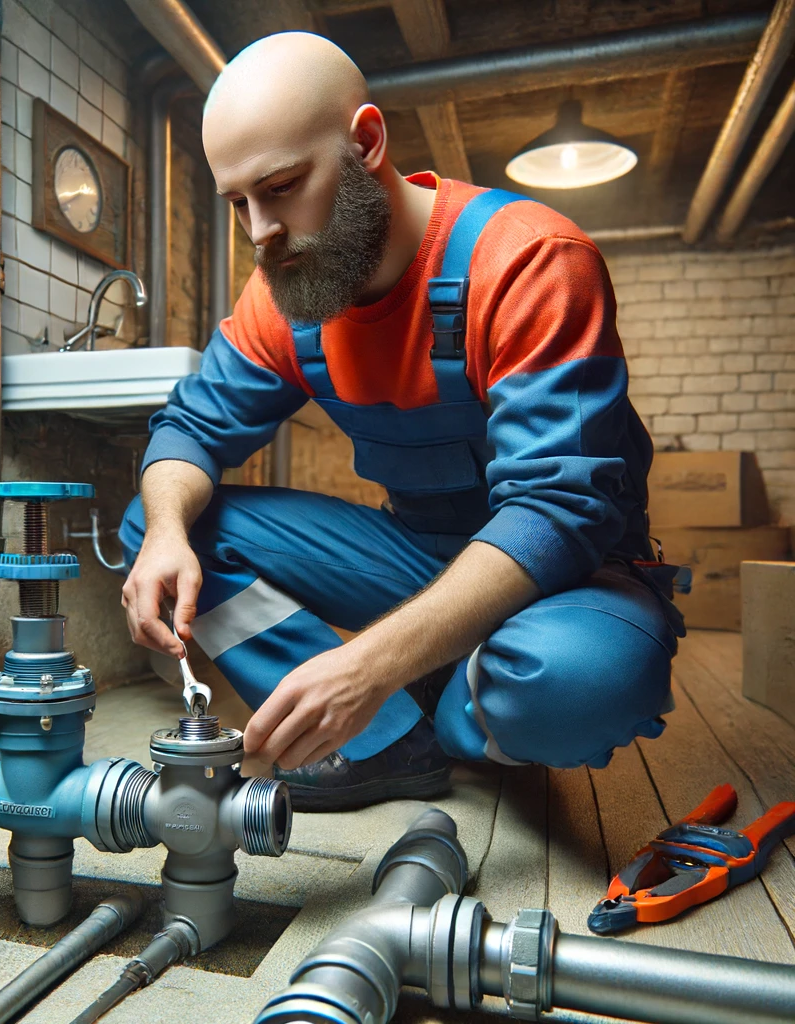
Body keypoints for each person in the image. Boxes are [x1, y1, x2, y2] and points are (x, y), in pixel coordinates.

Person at [118, 32, 684, 812]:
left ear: (367, 141)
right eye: (239, 202)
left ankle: (443, 695)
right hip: (419, 555)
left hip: (569, 579)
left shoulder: (529, 260)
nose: (259, 231)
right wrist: (166, 532)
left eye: (281, 187)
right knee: (164, 525)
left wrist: (371, 664)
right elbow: (192, 430)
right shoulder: (287, 293)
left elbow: (557, 512)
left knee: (576, 685)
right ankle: (389, 742)